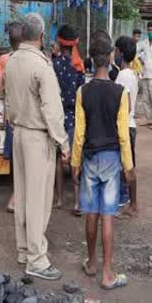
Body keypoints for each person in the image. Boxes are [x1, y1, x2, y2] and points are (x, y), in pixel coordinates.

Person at [4, 12, 71, 281]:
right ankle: (36, 259)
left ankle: (24, 250)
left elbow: (7, 99)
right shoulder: (42, 66)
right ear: (42, 36)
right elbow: (52, 110)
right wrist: (63, 142)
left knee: (22, 194)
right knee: (37, 200)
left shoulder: (11, 61)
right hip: (37, 137)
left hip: (18, 132)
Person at [71, 33, 134, 290]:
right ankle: (108, 274)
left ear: (91, 59)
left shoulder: (82, 91)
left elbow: (79, 132)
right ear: (110, 58)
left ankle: (92, 262)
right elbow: (123, 135)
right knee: (107, 215)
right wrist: (128, 167)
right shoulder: (120, 92)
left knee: (91, 212)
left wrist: (74, 162)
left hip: (89, 157)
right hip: (111, 159)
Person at [52, 25, 86, 212]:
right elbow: (82, 93)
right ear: (75, 43)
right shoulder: (79, 67)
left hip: (57, 117)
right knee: (75, 158)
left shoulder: (53, 64)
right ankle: (77, 202)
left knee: (58, 157)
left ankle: (59, 199)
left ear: (59, 42)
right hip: (74, 117)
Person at [0, 22, 23, 214]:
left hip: (11, 117)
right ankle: (18, 197)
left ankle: (16, 196)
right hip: (29, 119)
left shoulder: (4, 59)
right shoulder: (33, 59)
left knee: (16, 160)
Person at [114, 35, 139, 215]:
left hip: (125, 125)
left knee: (127, 164)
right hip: (129, 124)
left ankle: (131, 202)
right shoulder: (130, 74)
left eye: (116, 50)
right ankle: (127, 198)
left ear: (120, 53)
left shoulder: (123, 76)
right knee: (126, 163)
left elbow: (127, 103)